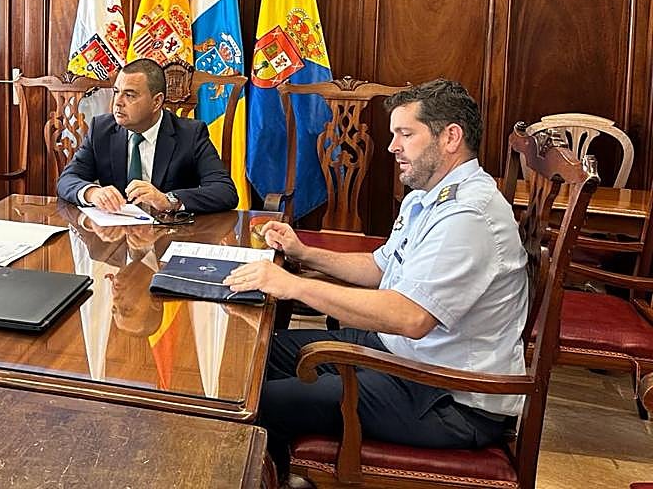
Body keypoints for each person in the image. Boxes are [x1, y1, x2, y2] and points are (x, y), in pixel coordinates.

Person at [224, 79, 526, 482]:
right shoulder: (429, 193)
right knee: (256, 355)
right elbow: (381, 267)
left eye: (405, 134)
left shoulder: (469, 214)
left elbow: (410, 318)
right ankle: (278, 473)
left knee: (253, 399)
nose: (392, 147)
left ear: (451, 136)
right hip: (404, 358)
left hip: (447, 396)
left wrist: (293, 286)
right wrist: (302, 253)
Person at [56, 58, 238, 214]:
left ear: (156, 101)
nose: (117, 103)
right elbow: (67, 179)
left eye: (130, 95)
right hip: (116, 241)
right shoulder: (101, 130)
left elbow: (225, 191)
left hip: (169, 237)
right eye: (116, 92)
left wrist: (168, 200)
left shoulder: (190, 134)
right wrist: (92, 193)